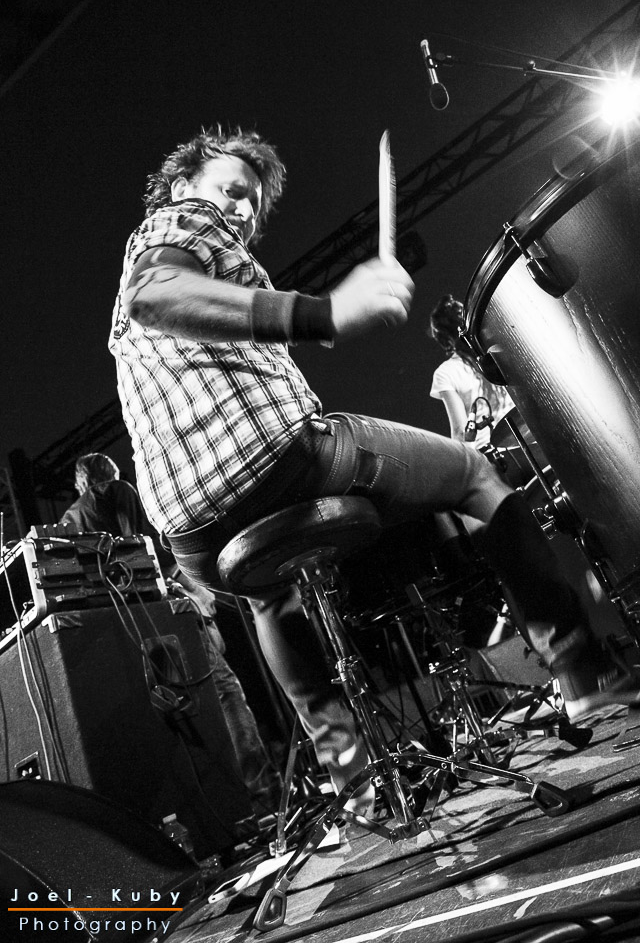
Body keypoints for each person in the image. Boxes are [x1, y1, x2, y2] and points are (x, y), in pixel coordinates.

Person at [108, 127, 639, 819]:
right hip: (280, 461)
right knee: (477, 477)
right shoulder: (178, 224)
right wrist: (324, 312)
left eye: (251, 204)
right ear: (184, 186)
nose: (240, 209)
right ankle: (582, 673)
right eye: (231, 190)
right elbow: (155, 292)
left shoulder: (184, 275)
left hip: (191, 535)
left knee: (271, 600)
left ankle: (355, 781)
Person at [61, 452, 281, 814]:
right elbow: (146, 553)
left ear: (79, 480)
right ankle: (264, 801)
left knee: (179, 716)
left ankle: (222, 810)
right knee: (224, 693)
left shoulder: (70, 519)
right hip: (164, 617)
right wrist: (196, 590)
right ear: (110, 473)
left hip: (121, 633)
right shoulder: (118, 491)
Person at [428, 295, 515, 446]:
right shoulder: (496, 348)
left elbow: (460, 432)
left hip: (489, 451)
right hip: (524, 432)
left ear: (444, 339)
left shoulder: (446, 372)